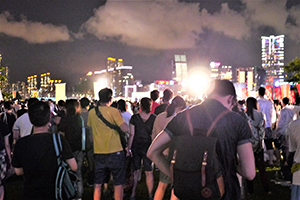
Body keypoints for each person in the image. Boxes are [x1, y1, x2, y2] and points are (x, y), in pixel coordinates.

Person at [147, 79, 256, 200]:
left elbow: (152, 152)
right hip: (224, 192)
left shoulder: (183, 116)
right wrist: (230, 165)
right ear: (231, 99)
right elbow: (249, 173)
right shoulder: (237, 121)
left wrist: (177, 176)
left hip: (189, 193)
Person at [11, 101, 77, 200]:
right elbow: (74, 167)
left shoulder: (21, 143)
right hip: (55, 192)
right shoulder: (58, 140)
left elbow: (18, 171)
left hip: (31, 193)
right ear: (49, 118)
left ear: (30, 119)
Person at [87, 88, 129, 200]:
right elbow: (125, 129)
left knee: (98, 183)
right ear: (110, 99)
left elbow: (90, 134)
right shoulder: (114, 111)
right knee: (118, 182)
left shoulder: (91, 112)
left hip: (99, 151)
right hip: (115, 151)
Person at [152, 96, 186, 200]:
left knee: (161, 185)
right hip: (174, 156)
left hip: (161, 154)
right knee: (176, 186)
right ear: (180, 107)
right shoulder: (177, 120)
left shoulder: (159, 117)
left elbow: (153, 134)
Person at [127, 97, 156, 200]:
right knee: (149, 171)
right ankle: (150, 195)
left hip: (136, 146)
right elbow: (154, 135)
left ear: (140, 106)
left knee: (136, 171)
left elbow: (132, 134)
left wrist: (128, 148)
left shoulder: (134, 118)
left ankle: (133, 194)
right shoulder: (154, 118)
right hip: (148, 146)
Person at [58, 99, 84, 199]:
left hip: (67, 150)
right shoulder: (79, 119)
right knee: (78, 174)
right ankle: (79, 195)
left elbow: (61, 135)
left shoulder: (64, 120)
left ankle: (68, 193)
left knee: (66, 174)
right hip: (79, 148)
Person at [245, 97, 271, 195]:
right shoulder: (260, 114)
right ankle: (266, 189)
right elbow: (262, 128)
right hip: (259, 143)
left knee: (248, 167)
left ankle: (250, 190)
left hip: (248, 144)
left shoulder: (245, 115)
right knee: (261, 168)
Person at [257, 87, 277, 166]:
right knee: (269, 143)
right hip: (268, 125)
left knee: (259, 144)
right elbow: (273, 114)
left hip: (259, 126)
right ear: (265, 92)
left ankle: (261, 160)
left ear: (258, 93)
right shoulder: (269, 102)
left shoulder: (257, 102)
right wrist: (272, 123)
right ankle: (271, 160)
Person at [0, 121, 11, 200]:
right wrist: (9, 158)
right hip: (1, 156)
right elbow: (7, 144)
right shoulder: (3, 125)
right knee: (1, 183)